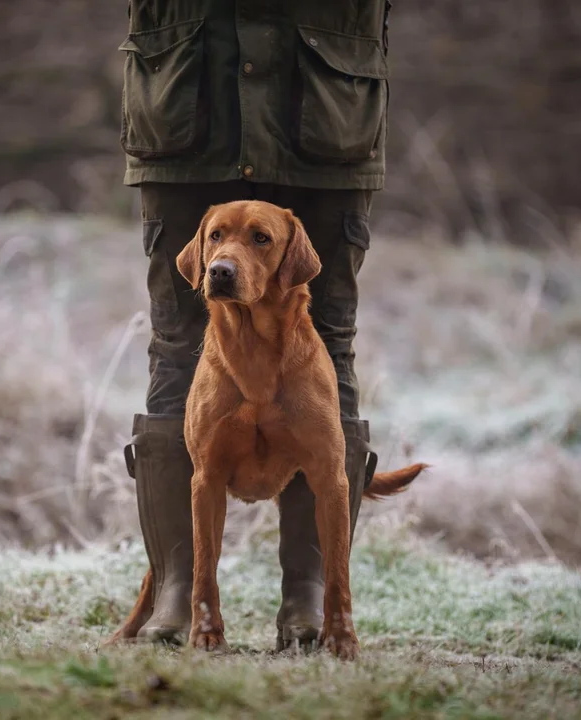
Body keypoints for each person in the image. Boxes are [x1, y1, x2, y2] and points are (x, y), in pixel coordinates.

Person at [119, 0, 392, 649]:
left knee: (330, 349)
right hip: (184, 110)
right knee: (178, 352)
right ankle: (179, 591)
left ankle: (310, 596)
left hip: (329, 114)